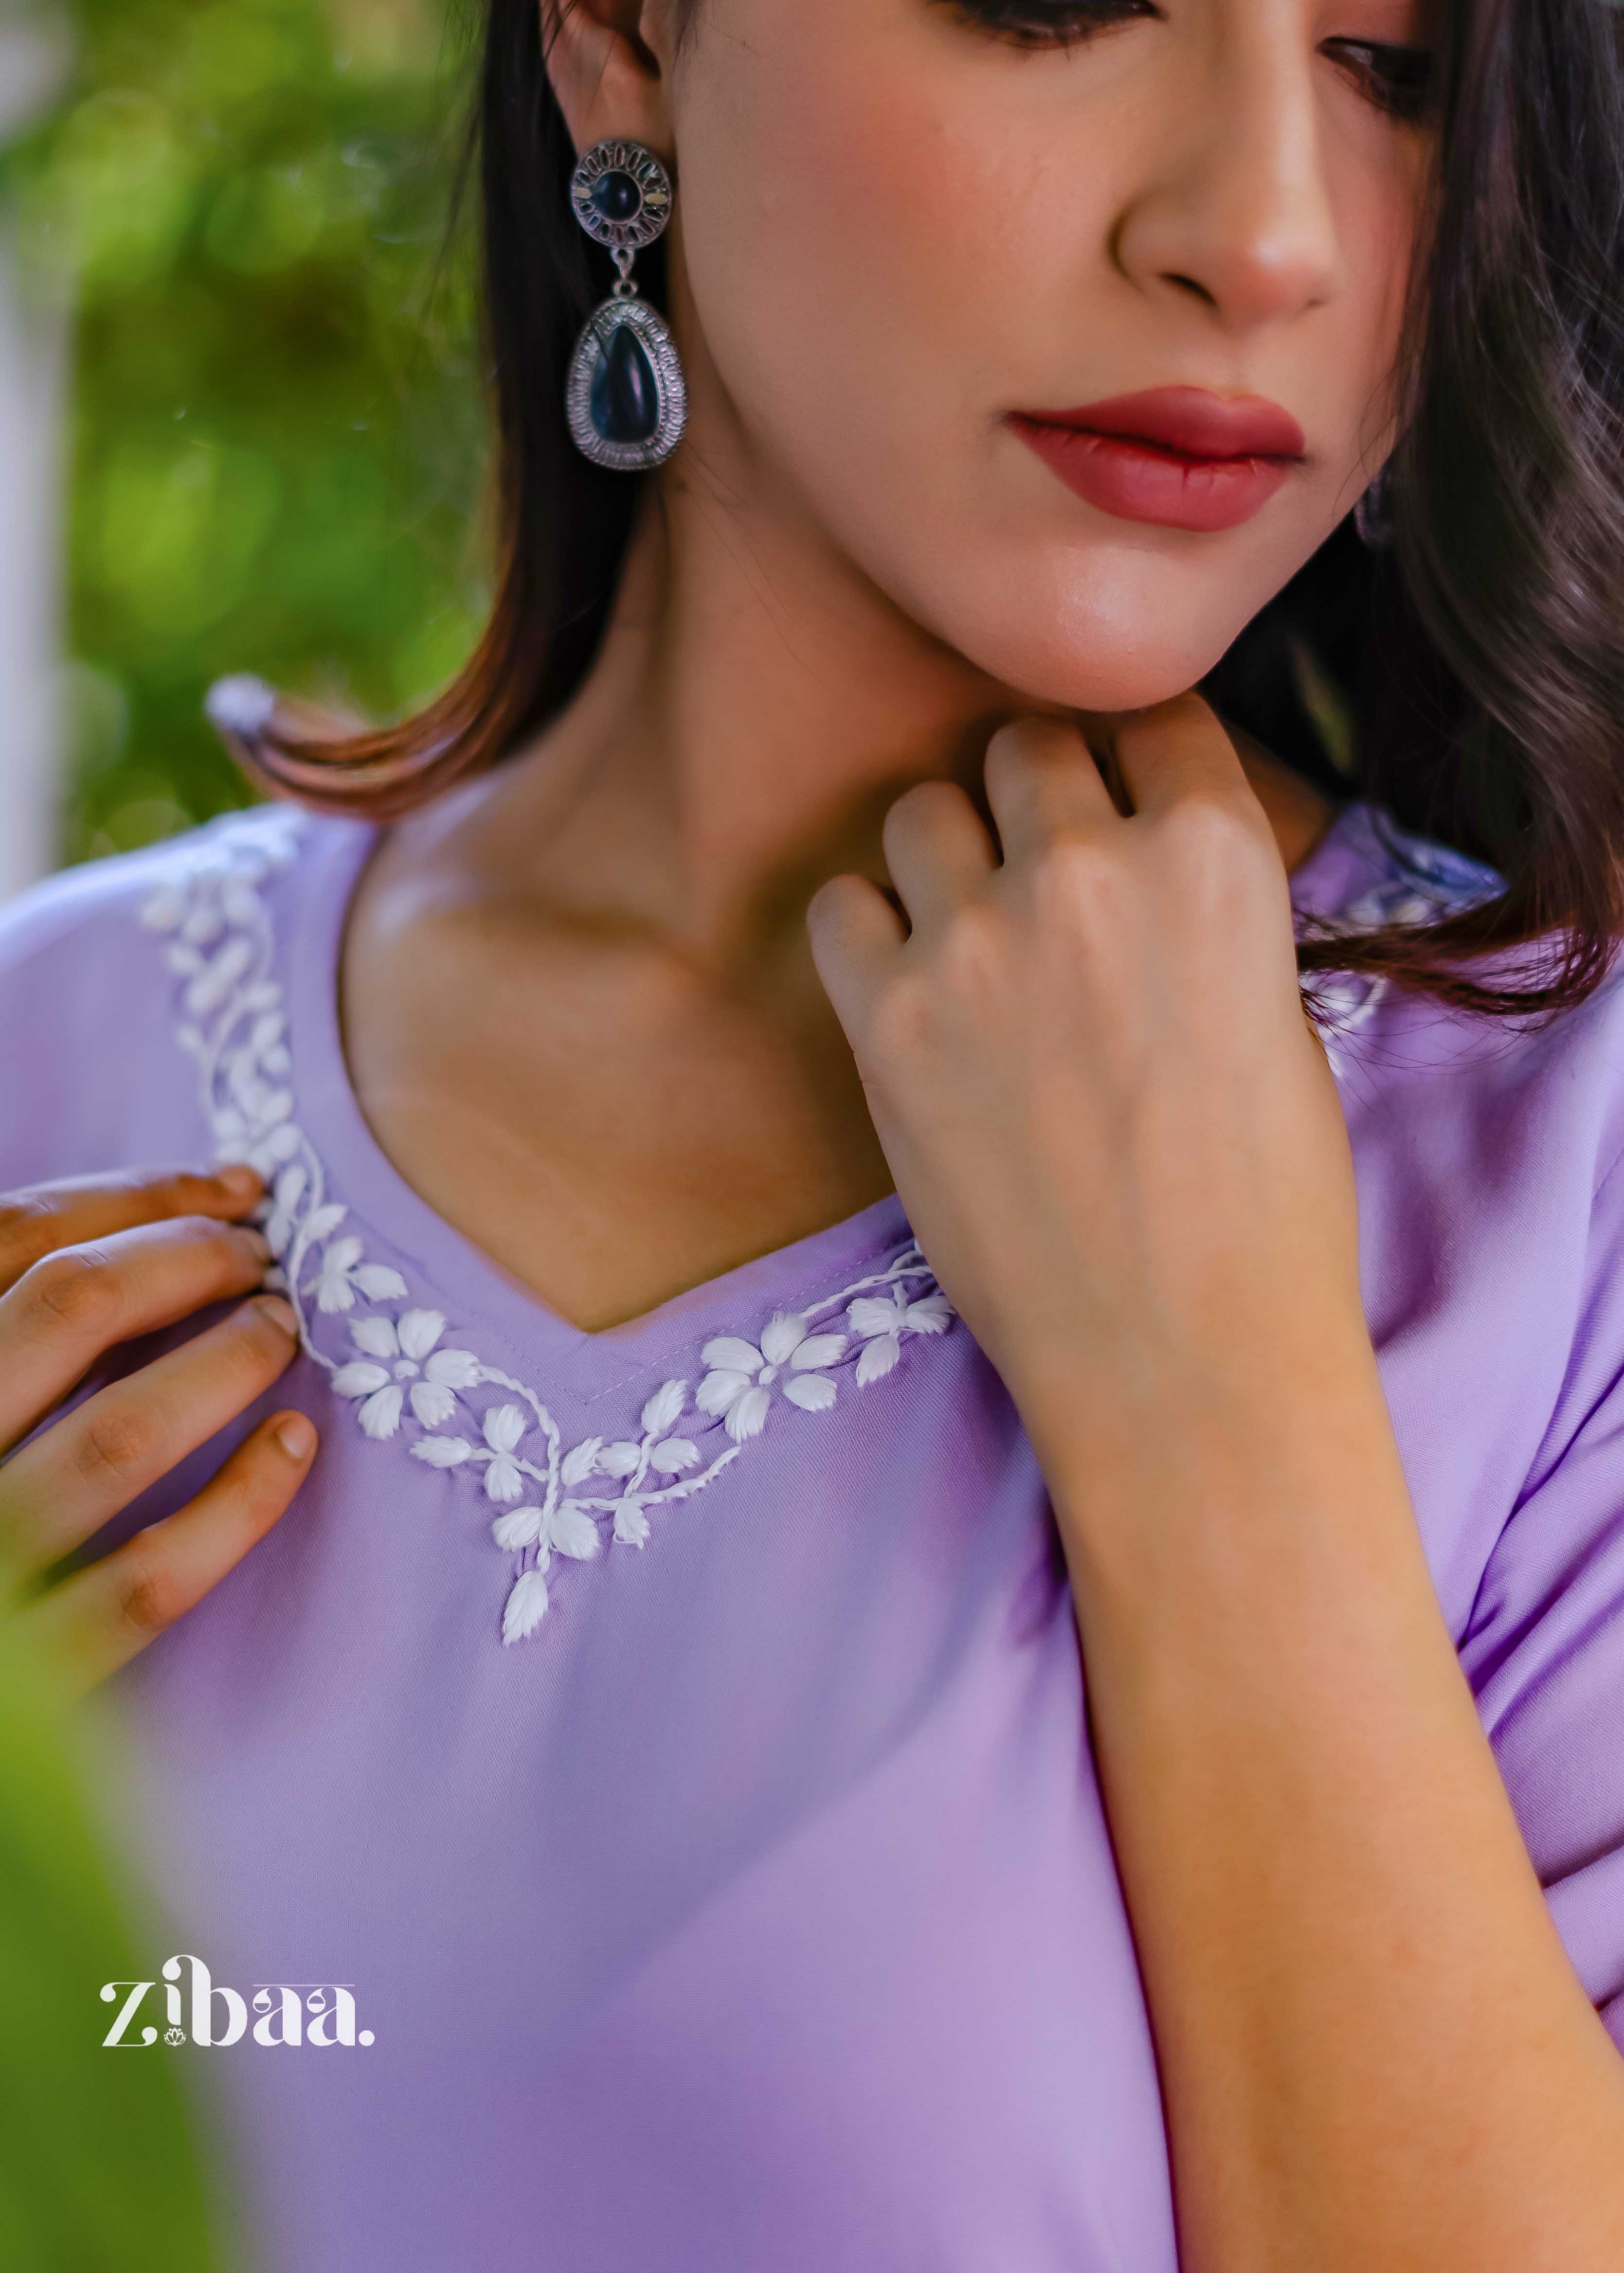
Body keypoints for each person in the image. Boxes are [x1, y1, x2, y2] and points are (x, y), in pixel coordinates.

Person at [4, 0, 1624, 2265]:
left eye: (1391, 65)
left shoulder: (1572, 1200)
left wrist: (1217, 1427)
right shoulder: (43, 1052)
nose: (1263, 236)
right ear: (619, 34)